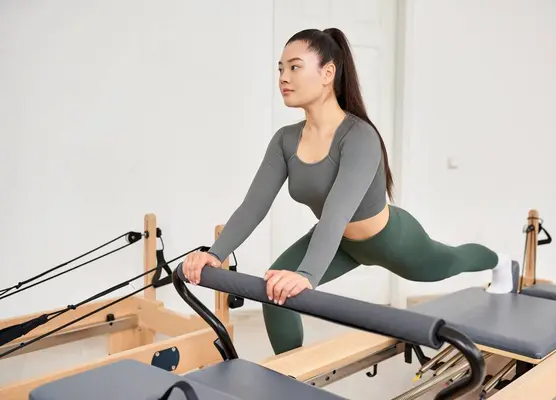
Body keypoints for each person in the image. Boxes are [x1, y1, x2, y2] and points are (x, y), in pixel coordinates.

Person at [182, 27, 514, 355]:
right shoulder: (285, 140)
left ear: (327, 73)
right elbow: (253, 207)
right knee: (278, 295)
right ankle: (293, 381)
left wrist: (307, 275)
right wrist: (215, 253)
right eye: (280, 68)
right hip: (338, 243)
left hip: (391, 240)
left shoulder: (359, 136)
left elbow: (337, 211)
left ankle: (499, 260)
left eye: (294, 67)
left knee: (448, 263)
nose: (283, 77)